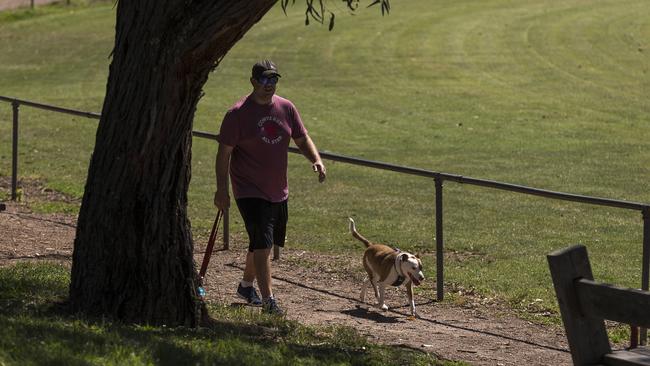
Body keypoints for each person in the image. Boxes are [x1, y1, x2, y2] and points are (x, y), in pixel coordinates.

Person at [214, 60, 326, 315]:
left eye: (274, 80)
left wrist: (316, 160)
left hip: (278, 189)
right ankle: (269, 302)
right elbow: (223, 155)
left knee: (260, 242)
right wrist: (222, 189)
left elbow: (301, 137)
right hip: (249, 189)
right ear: (253, 82)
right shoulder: (238, 114)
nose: (270, 85)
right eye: (265, 80)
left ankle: (245, 286)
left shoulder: (286, 108)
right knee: (264, 245)